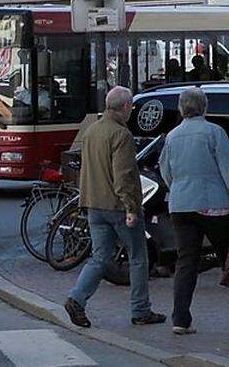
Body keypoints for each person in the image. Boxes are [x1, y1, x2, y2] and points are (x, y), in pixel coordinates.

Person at [63, 86, 167, 329]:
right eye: (130, 107)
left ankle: (77, 298)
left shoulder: (92, 131)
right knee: (138, 258)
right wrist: (131, 207)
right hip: (118, 206)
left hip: (93, 203)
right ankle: (140, 310)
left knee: (99, 257)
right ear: (125, 107)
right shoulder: (121, 135)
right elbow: (124, 176)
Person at [158, 86, 229, 335]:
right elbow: (226, 169)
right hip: (213, 204)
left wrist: (178, 187)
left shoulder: (172, 136)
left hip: (180, 204)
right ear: (205, 107)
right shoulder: (215, 132)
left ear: (181, 108)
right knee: (226, 255)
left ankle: (180, 319)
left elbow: (165, 169)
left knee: (186, 261)